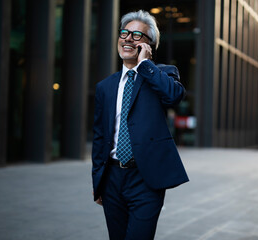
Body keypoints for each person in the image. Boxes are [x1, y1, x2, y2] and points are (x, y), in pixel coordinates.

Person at [91, 10, 189, 240]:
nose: (127, 38)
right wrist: (98, 181)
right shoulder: (105, 87)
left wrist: (146, 65)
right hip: (112, 178)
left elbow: (174, 96)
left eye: (137, 35)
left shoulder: (162, 74)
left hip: (146, 178)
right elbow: (99, 136)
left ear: (148, 44)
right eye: (124, 33)